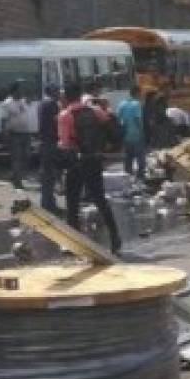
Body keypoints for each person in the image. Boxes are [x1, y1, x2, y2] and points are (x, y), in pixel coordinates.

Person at [58, 82, 121, 253]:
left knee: (72, 203)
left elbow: (64, 144)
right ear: (79, 95)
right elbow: (111, 126)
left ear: (66, 97)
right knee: (100, 199)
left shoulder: (65, 115)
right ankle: (115, 237)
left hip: (76, 163)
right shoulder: (95, 110)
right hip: (94, 160)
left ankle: (74, 243)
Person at [0, 81, 32, 189]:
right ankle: (17, 182)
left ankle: (15, 175)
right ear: (14, 91)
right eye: (20, 89)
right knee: (17, 158)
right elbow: (3, 120)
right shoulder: (7, 103)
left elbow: (29, 104)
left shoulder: (23, 100)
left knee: (27, 156)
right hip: (14, 134)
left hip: (26, 133)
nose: (22, 91)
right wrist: (5, 135)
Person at [38, 85, 62, 213]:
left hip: (45, 141)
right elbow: (56, 122)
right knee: (50, 174)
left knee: (47, 173)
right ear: (52, 92)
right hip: (51, 142)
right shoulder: (51, 104)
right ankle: (48, 204)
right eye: (57, 91)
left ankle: (47, 201)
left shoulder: (43, 103)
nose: (59, 93)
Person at [117, 85, 146, 180]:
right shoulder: (136, 104)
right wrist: (142, 132)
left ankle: (128, 176)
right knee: (140, 157)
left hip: (125, 135)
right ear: (137, 93)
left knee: (128, 157)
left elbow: (118, 120)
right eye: (140, 93)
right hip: (136, 135)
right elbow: (137, 119)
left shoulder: (122, 104)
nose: (141, 95)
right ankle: (140, 177)